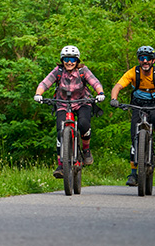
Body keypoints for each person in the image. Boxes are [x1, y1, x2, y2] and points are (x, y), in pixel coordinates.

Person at [109, 45, 155, 186]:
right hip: (138, 105)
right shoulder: (133, 72)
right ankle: (133, 173)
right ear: (139, 60)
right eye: (142, 58)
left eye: (148, 59)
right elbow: (118, 86)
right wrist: (114, 99)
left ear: (153, 60)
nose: (145, 61)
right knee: (134, 136)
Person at [34, 45, 105, 179]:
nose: (69, 62)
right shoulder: (58, 71)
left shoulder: (83, 71)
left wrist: (100, 93)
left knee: (84, 124)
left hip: (82, 102)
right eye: (66, 59)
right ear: (62, 60)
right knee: (60, 131)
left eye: (72, 59)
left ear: (77, 61)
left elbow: (95, 82)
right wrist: (38, 94)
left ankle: (86, 149)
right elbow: (45, 83)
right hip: (63, 103)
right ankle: (61, 165)